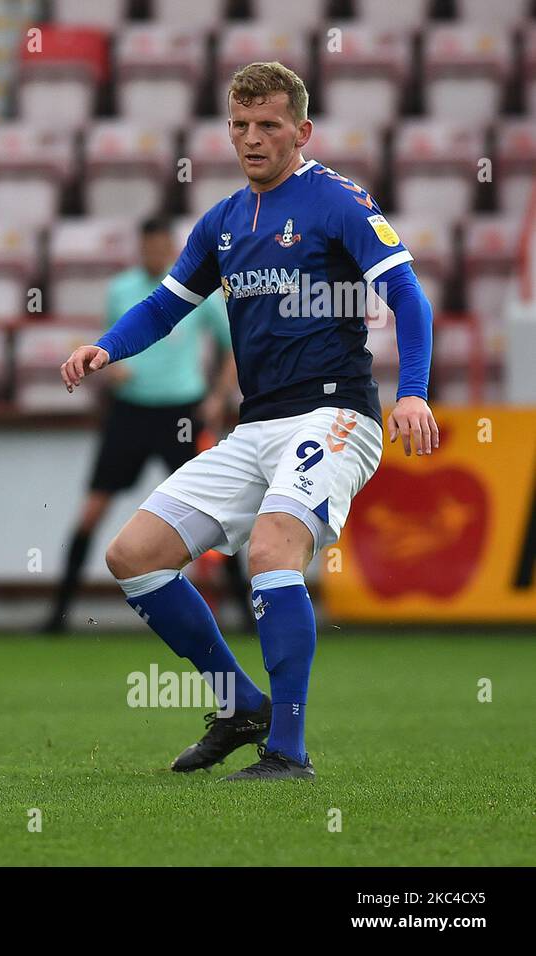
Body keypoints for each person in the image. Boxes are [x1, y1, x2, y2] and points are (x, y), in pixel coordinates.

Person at [59, 62, 437, 781]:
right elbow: (167, 305)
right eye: (239, 125)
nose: (252, 138)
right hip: (257, 424)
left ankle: (288, 752)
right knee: (133, 556)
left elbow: (407, 297)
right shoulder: (225, 220)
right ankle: (240, 706)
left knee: (270, 554)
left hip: (335, 414)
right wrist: (106, 346)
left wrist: (413, 391)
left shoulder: (339, 203)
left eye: (268, 125)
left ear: (303, 129)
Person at [43, 216, 238, 633]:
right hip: (130, 413)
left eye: (161, 245)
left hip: (182, 414)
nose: (154, 253)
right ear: (141, 247)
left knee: (214, 515)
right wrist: (111, 371)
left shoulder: (197, 293)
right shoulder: (122, 290)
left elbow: (233, 347)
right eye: (147, 246)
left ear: (171, 247)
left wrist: (218, 398)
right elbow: (111, 340)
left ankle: (244, 616)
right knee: (92, 510)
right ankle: (59, 615)